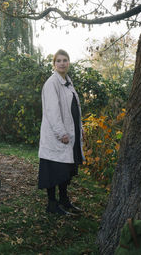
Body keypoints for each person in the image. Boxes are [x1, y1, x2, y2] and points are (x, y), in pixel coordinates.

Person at [38, 49, 85, 215]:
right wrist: (61, 133)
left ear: (69, 63)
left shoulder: (67, 82)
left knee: (65, 170)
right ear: (54, 64)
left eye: (65, 60)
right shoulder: (52, 83)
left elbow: (74, 110)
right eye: (59, 60)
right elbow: (52, 111)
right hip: (57, 136)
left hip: (70, 135)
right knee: (54, 171)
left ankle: (64, 201)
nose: (62, 63)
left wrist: (81, 129)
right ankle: (52, 205)